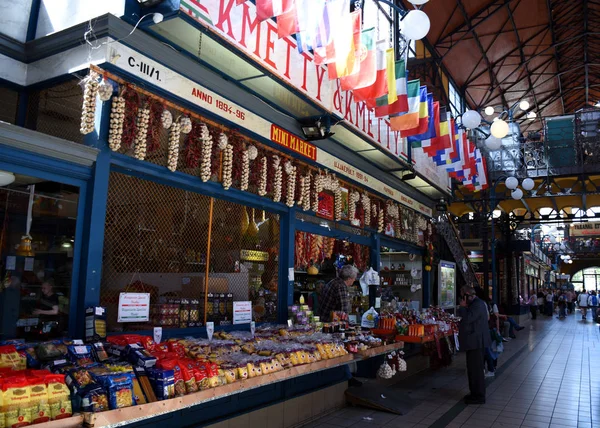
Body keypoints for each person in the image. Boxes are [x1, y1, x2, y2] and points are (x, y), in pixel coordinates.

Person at [458, 286, 491, 405]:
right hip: (473, 342)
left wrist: (462, 308)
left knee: (476, 370)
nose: (462, 299)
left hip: (477, 342)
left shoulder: (478, 304)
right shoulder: (475, 304)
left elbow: (468, 319)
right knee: (472, 369)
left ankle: (478, 396)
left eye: (463, 296)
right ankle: (474, 393)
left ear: (467, 295)